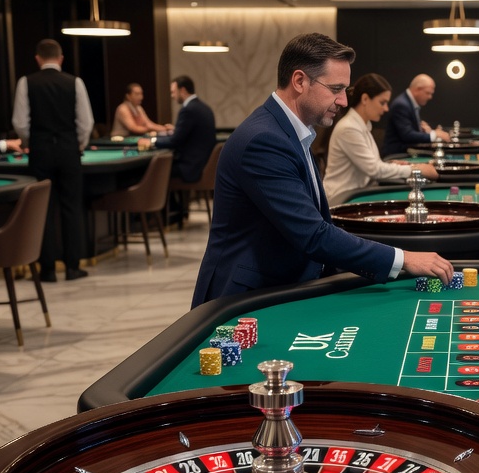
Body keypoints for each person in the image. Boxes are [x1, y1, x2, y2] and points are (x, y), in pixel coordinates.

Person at [192, 33, 454, 304]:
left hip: (283, 282)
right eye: (335, 89)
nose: (343, 101)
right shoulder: (264, 140)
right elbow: (314, 235)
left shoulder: (293, 130)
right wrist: (405, 258)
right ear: (299, 81)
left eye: (345, 90)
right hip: (245, 298)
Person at [12, 38, 93, 282]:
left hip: (41, 152)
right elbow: (85, 122)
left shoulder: (26, 82)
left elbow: (20, 123)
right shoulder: (75, 82)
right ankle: (72, 266)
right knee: (71, 208)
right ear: (60, 59)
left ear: (38, 59)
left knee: (43, 210)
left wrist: (32, 141)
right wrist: (77, 143)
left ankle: (47, 269)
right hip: (69, 151)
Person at [323, 73, 438, 206]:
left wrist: (393, 165)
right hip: (341, 199)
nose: (386, 109)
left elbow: (372, 165)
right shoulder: (349, 128)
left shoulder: (362, 125)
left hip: (356, 194)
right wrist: (416, 169)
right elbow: (375, 170)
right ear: (365, 99)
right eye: (382, 102)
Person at [139, 75, 216, 183]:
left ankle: (160, 200)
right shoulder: (204, 108)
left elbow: (175, 141)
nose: (172, 96)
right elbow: (190, 134)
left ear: (182, 90)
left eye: (173, 92)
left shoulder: (188, 109)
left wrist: (151, 141)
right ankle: (173, 200)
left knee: (148, 170)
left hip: (190, 168)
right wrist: (176, 130)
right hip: (202, 165)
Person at [380, 74, 450, 156]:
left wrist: (427, 131)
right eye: (428, 93)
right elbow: (407, 135)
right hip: (396, 155)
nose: (430, 97)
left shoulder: (408, 102)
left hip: (406, 152)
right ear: (417, 90)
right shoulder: (402, 104)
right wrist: (434, 134)